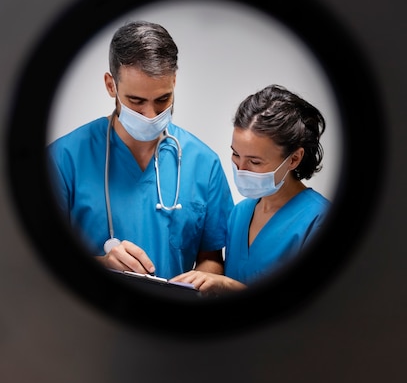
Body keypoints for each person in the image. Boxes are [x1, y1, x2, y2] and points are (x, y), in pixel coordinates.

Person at [47, 20, 234, 279]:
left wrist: (201, 280)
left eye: (162, 100)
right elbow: (40, 258)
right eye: (136, 101)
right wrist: (101, 265)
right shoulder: (63, 159)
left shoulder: (204, 164)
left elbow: (212, 258)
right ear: (111, 85)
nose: (150, 115)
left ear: (174, 81)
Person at [170, 84, 331, 294]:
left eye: (255, 162)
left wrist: (228, 286)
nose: (241, 169)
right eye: (236, 155)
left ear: (294, 159)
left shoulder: (318, 220)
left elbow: (312, 313)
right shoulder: (239, 214)